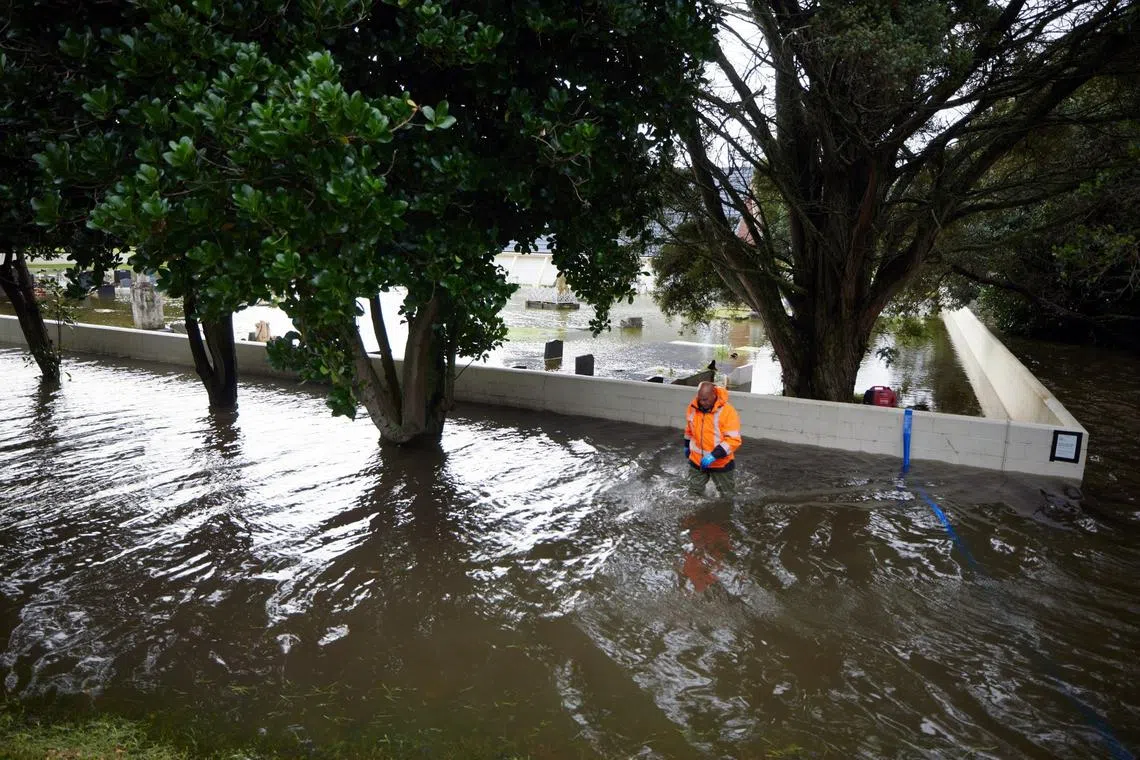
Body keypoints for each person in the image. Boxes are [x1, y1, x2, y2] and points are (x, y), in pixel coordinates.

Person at [683, 381, 742, 498]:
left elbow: (733, 440)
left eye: (705, 399)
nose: (702, 402)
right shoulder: (693, 407)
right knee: (693, 493)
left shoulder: (728, 411)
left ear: (714, 395)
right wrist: (686, 444)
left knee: (727, 496)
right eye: (700, 399)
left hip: (721, 463)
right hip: (697, 460)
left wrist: (713, 456)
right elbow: (689, 429)